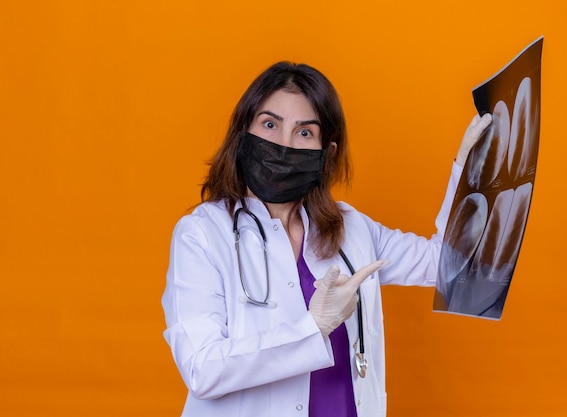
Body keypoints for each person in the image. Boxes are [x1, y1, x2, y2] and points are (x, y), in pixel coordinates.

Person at [161, 61, 492, 417]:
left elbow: (448, 263)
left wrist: (469, 171)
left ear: (326, 152)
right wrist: (312, 328)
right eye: (270, 125)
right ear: (244, 134)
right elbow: (202, 368)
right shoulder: (202, 234)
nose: (284, 144)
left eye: (304, 133)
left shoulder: (351, 228)